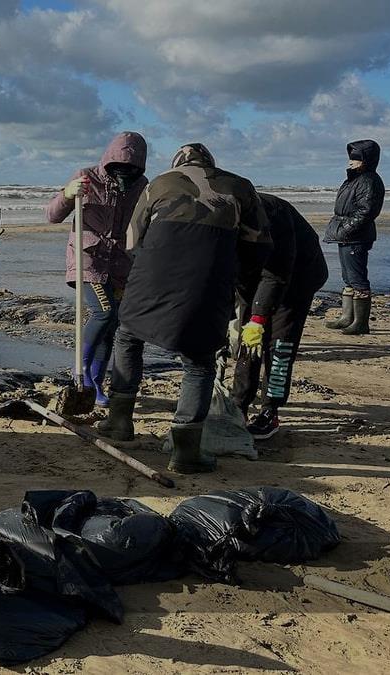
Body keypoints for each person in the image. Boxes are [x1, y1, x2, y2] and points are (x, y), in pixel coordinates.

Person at [96, 143, 271, 474]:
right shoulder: (240, 186)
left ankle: (119, 421)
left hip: (150, 279)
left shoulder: (159, 183)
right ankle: (186, 451)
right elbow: (259, 245)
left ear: (177, 163)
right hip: (207, 283)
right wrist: (235, 278)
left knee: (128, 337)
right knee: (199, 363)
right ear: (211, 164)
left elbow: (132, 241)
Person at [46, 131, 148, 406]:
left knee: (111, 324)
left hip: (120, 264)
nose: (124, 172)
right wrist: (68, 194)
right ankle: (81, 373)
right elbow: (52, 215)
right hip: (87, 260)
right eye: (119, 166)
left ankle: (96, 383)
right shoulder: (86, 177)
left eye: (131, 168)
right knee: (104, 312)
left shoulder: (141, 185)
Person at [231, 193, 328, 440]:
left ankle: (270, 410)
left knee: (280, 343)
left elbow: (277, 274)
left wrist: (259, 318)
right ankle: (238, 405)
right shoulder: (219, 217)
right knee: (246, 342)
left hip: (297, 276)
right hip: (256, 277)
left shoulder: (274, 216)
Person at [323, 140, 384, 336]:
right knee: (348, 277)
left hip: (356, 236)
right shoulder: (354, 179)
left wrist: (346, 229)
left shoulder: (369, 180)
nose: (350, 161)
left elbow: (367, 211)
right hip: (346, 234)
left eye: (356, 158)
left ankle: (360, 323)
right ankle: (347, 317)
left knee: (357, 278)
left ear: (365, 160)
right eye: (351, 158)